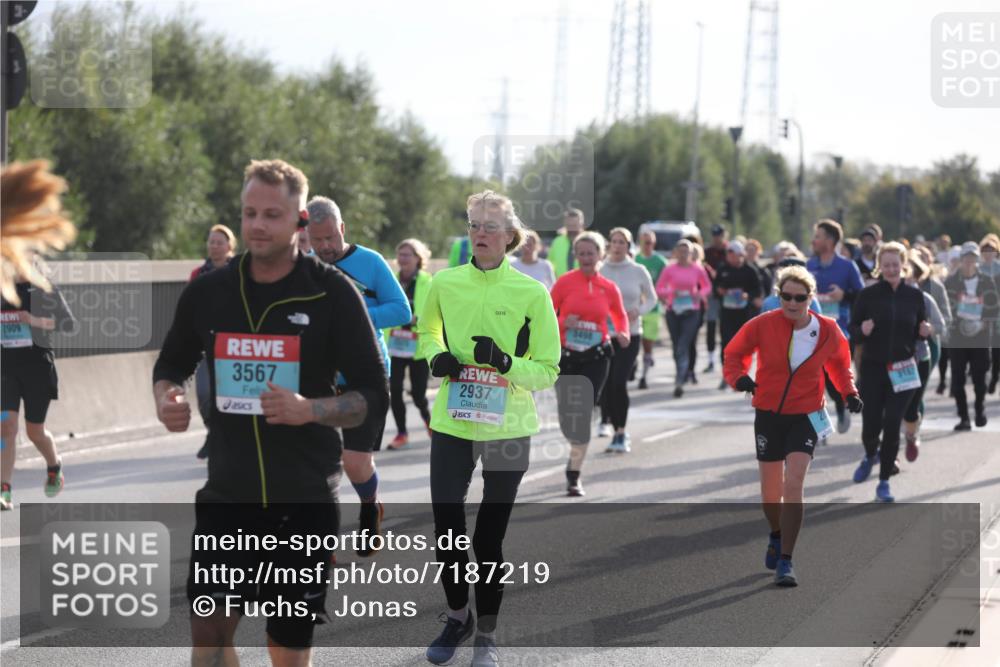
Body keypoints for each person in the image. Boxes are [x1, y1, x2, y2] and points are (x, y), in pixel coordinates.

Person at [153, 159, 388, 666]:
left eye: (272, 215)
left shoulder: (332, 293)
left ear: (300, 220)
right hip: (226, 497)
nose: (258, 225)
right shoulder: (210, 291)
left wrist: (311, 409)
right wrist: (166, 396)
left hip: (301, 502)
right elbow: (172, 362)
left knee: (286, 650)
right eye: (249, 213)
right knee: (209, 641)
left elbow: (372, 391)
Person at [417, 190, 560, 667]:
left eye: (490, 227)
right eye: (474, 225)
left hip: (509, 425)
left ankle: (488, 637)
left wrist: (504, 362)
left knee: (487, 539)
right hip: (454, 420)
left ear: (510, 237)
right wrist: (436, 354)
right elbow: (428, 330)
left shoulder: (531, 293)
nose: (480, 233)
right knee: (447, 527)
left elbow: (548, 368)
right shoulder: (445, 282)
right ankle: (458, 617)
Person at [724, 265, 860, 587]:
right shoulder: (762, 325)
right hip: (769, 414)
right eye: (786, 296)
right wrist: (739, 377)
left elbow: (841, 365)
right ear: (778, 296)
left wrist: (849, 392)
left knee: (794, 482)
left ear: (811, 298)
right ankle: (775, 533)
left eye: (799, 297)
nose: (792, 303)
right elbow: (734, 354)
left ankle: (786, 560)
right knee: (770, 495)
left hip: (806, 414)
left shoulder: (828, 329)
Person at [307, 196, 411, 556]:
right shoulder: (301, 268)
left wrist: (354, 313)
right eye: (317, 240)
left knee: (354, 461)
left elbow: (400, 309)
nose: (325, 248)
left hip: (364, 374)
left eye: (331, 238)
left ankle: (370, 505)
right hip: (317, 376)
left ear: (343, 229)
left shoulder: (370, 262)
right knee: (317, 460)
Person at [849, 242, 929, 502]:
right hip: (872, 368)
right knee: (871, 423)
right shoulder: (868, 295)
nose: (892, 269)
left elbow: (921, 327)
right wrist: (863, 330)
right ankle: (871, 452)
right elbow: (852, 329)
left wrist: (925, 330)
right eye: (887, 265)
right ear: (879, 267)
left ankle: (883, 481)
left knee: (893, 422)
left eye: (896, 264)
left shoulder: (914, 296)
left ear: (903, 265)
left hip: (904, 369)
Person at [551, 231, 628, 493]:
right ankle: (575, 440)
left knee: (583, 411)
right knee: (567, 416)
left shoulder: (609, 287)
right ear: (576, 256)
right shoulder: (564, 283)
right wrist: (563, 322)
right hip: (567, 355)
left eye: (590, 253)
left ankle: (574, 474)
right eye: (581, 253)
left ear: (600, 255)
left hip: (597, 354)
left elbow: (619, 315)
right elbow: (546, 314)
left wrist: (624, 332)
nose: (586, 257)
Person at [1, 275, 76, 511]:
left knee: (35, 432)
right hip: (5, 368)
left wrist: (32, 320)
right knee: (6, 427)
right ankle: (4, 490)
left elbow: (68, 324)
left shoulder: (45, 286)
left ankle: (54, 466)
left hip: (37, 367)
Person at [597, 228, 656, 450]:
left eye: (622, 242)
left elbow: (652, 298)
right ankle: (612, 427)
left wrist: (638, 311)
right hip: (604, 334)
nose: (618, 245)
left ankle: (621, 433)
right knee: (607, 385)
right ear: (609, 244)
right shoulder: (600, 269)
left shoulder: (638, 270)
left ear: (629, 245)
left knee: (619, 382)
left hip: (630, 334)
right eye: (614, 241)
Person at [807, 219, 864, 433]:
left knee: (833, 379)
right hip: (811, 332)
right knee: (812, 380)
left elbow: (861, 296)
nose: (814, 240)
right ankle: (816, 426)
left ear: (830, 241)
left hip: (839, 331)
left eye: (818, 236)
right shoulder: (809, 265)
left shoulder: (847, 266)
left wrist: (844, 295)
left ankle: (841, 405)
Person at [189, 224, 238, 460]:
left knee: (231, 395)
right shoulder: (199, 275)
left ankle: (227, 439)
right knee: (205, 394)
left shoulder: (241, 271)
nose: (215, 246)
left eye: (220, 242)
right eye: (211, 242)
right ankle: (213, 432)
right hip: (206, 344)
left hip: (235, 346)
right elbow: (189, 307)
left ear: (230, 246)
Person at [945, 241, 998, 430]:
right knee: (958, 379)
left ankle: (979, 409)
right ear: (961, 260)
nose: (969, 262)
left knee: (979, 376)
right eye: (966, 258)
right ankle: (964, 417)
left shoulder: (986, 281)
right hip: (958, 338)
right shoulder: (951, 281)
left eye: (972, 258)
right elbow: (945, 307)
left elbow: (994, 307)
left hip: (980, 337)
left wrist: (982, 323)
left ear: (977, 260)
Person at [385, 238, 433, 450]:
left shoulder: (428, 281)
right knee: (394, 390)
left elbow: (434, 310)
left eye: (408, 255)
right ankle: (402, 433)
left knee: (418, 394)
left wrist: (417, 319)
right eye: (401, 254)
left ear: (418, 258)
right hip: (395, 343)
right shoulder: (390, 280)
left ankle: (430, 424)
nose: (403, 259)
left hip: (419, 346)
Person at [902, 253, 948, 462]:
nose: (905, 280)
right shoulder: (880, 297)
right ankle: (890, 454)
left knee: (912, 402)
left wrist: (929, 328)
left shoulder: (926, 297)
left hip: (921, 354)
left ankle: (912, 431)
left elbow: (942, 324)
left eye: (908, 275)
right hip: (889, 358)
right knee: (891, 407)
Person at [656, 239, 713, 397]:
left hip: (691, 311)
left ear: (691, 253)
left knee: (683, 344)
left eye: (686, 251)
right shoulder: (670, 269)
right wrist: (670, 293)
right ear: (676, 252)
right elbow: (659, 288)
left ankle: (680, 380)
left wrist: (698, 294)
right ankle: (680, 371)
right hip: (673, 310)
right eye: (680, 251)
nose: (683, 254)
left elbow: (707, 286)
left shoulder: (697, 269)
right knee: (676, 345)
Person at [714, 240, 763, 390]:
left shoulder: (750, 270)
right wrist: (720, 291)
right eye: (728, 253)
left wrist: (747, 295)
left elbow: (757, 290)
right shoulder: (722, 268)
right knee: (726, 344)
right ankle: (726, 375)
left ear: (741, 255)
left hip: (744, 314)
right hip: (727, 313)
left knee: (743, 346)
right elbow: (715, 288)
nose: (730, 257)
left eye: (733, 253)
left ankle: (742, 374)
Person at [635, 230, 669, 389]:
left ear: (653, 244)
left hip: (653, 309)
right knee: (635, 344)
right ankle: (637, 365)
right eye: (643, 242)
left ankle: (644, 375)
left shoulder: (660, 262)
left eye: (649, 242)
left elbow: (667, 282)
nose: (646, 246)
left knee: (647, 343)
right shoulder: (634, 260)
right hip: (635, 310)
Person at [702, 224, 729, 373]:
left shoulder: (729, 251)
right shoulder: (707, 252)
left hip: (726, 295)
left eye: (719, 236)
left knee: (725, 328)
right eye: (715, 236)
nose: (717, 239)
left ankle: (724, 359)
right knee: (711, 326)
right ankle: (711, 359)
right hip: (712, 294)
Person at [979, 234, 1000, 394]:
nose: (988, 253)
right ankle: (984, 376)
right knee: (984, 350)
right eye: (985, 250)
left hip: (998, 313)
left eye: (991, 250)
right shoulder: (977, 269)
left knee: (996, 350)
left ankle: (994, 377)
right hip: (982, 313)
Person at [549, 208, 585, 277]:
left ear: (581, 224)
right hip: (561, 284)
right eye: (569, 225)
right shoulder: (557, 242)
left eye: (574, 225)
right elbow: (550, 265)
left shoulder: (590, 242)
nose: (571, 228)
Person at [745, 239, 772, 306]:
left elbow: (767, 289)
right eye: (747, 250)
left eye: (752, 250)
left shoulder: (763, 271)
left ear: (758, 251)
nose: (750, 253)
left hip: (758, 305)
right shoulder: (740, 268)